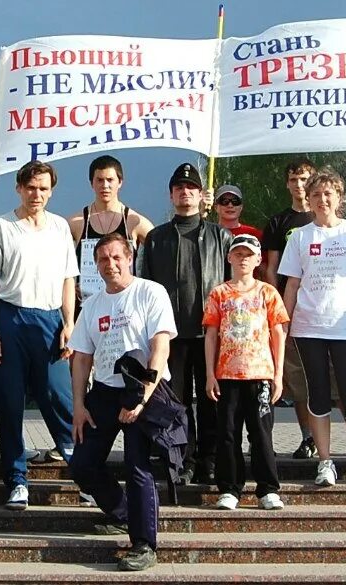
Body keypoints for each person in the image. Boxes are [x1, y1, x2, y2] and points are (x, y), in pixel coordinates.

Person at [69, 233, 180, 573]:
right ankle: (123, 513)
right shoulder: (92, 305)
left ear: (129, 258)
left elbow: (160, 346)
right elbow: (81, 358)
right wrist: (78, 406)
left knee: (137, 465)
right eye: (103, 259)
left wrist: (143, 397)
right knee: (82, 464)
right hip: (104, 391)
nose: (110, 264)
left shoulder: (150, 292)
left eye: (116, 257)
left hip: (144, 387)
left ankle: (144, 544)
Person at [0, 160, 78, 510]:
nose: (37, 194)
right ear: (19, 188)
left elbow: (68, 278)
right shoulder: (2, 226)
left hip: (50, 319)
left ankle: (83, 471)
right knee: (9, 401)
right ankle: (16, 479)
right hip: (10, 317)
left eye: (43, 188)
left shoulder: (60, 227)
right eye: (31, 187)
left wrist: (69, 322)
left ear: (51, 191)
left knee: (59, 396)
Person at [278, 169, 346, 487]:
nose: (322, 200)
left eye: (328, 194)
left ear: (339, 197)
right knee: (318, 395)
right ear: (308, 200)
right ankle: (325, 462)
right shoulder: (300, 236)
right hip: (308, 328)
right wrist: (283, 325)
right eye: (316, 195)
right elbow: (292, 284)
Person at [136, 162, 231, 484]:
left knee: (210, 400)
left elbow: (231, 288)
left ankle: (210, 460)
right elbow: (146, 288)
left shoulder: (221, 236)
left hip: (210, 334)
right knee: (176, 402)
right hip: (170, 336)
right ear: (171, 195)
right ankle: (183, 459)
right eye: (179, 188)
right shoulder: (156, 238)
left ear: (202, 195)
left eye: (191, 188)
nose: (185, 193)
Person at [203, 233, 287, 510]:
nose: (243, 259)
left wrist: (278, 375)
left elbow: (278, 333)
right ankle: (229, 489)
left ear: (258, 259)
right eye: (238, 254)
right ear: (229, 257)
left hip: (260, 373)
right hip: (227, 375)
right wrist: (210, 374)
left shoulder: (268, 292)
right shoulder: (219, 293)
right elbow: (211, 335)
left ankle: (268, 489)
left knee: (261, 434)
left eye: (248, 255)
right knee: (228, 433)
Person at [260, 157, 320, 458]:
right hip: (291, 306)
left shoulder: (326, 218)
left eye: (305, 179)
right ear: (287, 184)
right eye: (294, 179)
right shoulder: (278, 222)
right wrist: (279, 306)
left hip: (325, 308)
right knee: (298, 377)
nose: (299, 185)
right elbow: (270, 269)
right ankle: (308, 437)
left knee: (334, 378)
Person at [67, 155, 153, 302]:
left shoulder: (135, 222)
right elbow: (54, 260)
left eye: (110, 180)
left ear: (120, 182)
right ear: (91, 183)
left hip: (125, 306)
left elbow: (161, 257)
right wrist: (68, 286)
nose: (105, 186)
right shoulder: (75, 223)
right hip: (87, 305)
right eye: (99, 180)